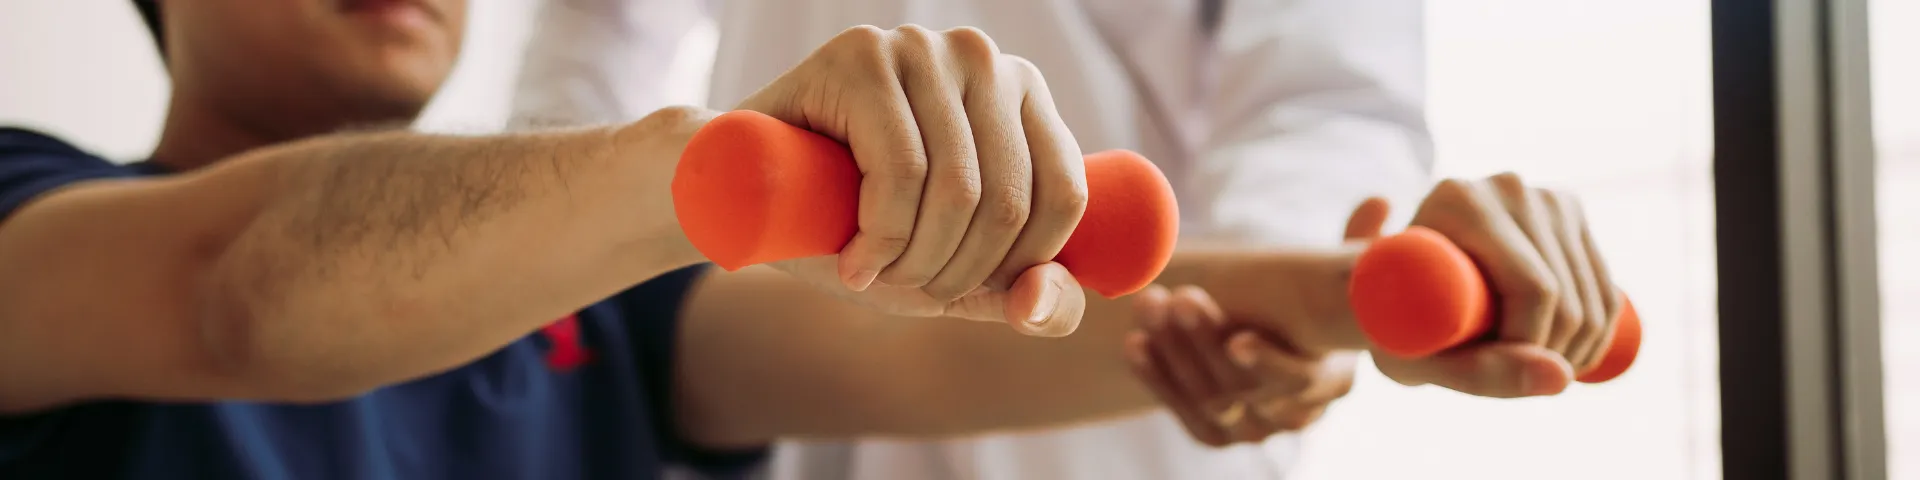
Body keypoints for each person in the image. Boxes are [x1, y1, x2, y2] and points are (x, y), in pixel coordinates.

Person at [0, 2, 1624, 480]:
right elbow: (235, 290)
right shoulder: (26, 207)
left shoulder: (612, 324)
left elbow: (937, 340)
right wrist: (688, 167)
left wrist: (1362, 302)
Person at [507, 0, 1441, 478]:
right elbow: (597, 31)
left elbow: (1325, 96)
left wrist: (1281, 302)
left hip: (1123, 387)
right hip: (782, 323)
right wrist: (560, 269)